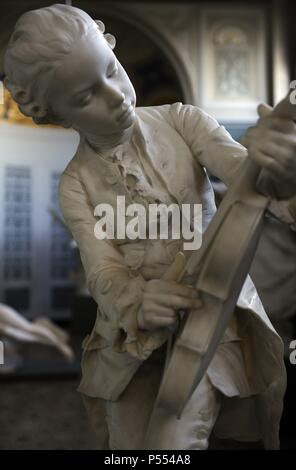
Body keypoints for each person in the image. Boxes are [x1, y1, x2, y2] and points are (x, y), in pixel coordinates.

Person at [4, 3, 296, 450]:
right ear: (56, 116)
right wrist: (138, 300)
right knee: (128, 443)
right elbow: (103, 271)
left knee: (173, 441)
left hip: (213, 318)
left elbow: (248, 179)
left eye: (112, 69)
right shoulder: (76, 184)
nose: (116, 96)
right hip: (132, 338)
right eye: (86, 97)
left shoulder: (183, 120)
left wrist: (277, 169)